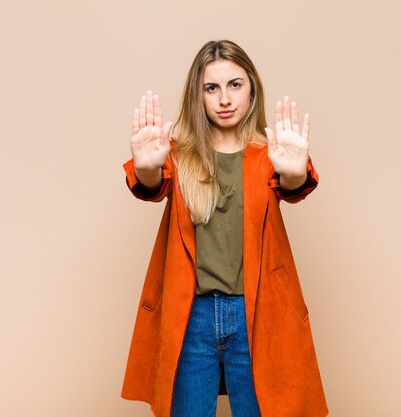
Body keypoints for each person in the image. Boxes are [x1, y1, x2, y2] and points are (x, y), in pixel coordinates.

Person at [121, 40, 328, 417]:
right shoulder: (178, 154)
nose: (224, 98)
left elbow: (294, 186)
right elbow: (150, 185)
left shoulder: (272, 155)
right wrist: (148, 165)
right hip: (192, 318)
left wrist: (295, 173)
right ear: (197, 96)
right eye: (211, 88)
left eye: (235, 84)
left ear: (252, 87)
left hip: (256, 315)